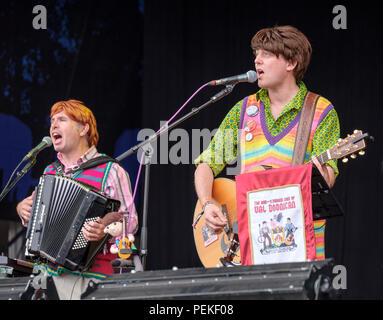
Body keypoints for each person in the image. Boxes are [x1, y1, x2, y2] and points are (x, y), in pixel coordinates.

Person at [194, 25, 340, 261]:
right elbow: (207, 164)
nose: (257, 61)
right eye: (256, 55)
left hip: (299, 246)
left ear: (291, 63)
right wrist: (207, 203)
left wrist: (318, 170)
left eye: (266, 54)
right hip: (249, 245)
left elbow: (328, 181)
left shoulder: (321, 111)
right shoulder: (243, 110)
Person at [16, 99, 138, 299]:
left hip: (89, 277)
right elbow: (37, 216)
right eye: (52, 120)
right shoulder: (50, 171)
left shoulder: (111, 170)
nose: (53, 125)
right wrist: (23, 209)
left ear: (83, 129)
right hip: (46, 276)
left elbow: (130, 221)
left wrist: (104, 227)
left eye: (62, 120)